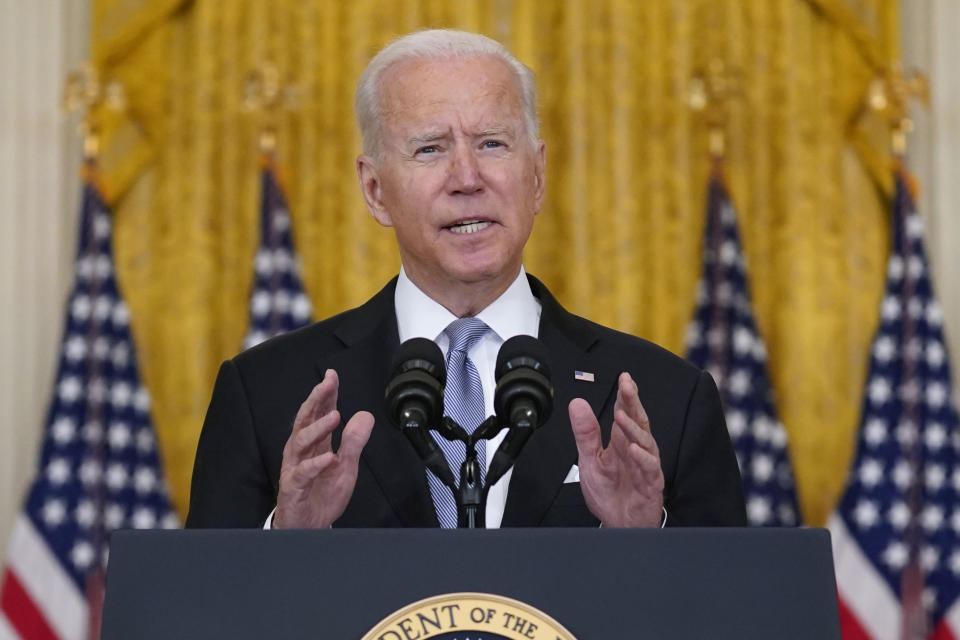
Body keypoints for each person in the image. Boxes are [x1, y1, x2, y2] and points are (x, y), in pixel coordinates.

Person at [185, 29, 746, 530]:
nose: (467, 178)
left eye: (492, 143)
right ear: (375, 190)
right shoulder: (266, 396)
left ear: (538, 176)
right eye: (430, 149)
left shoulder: (668, 400)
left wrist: (644, 544)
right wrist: (287, 544)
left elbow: (729, 613)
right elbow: (200, 613)